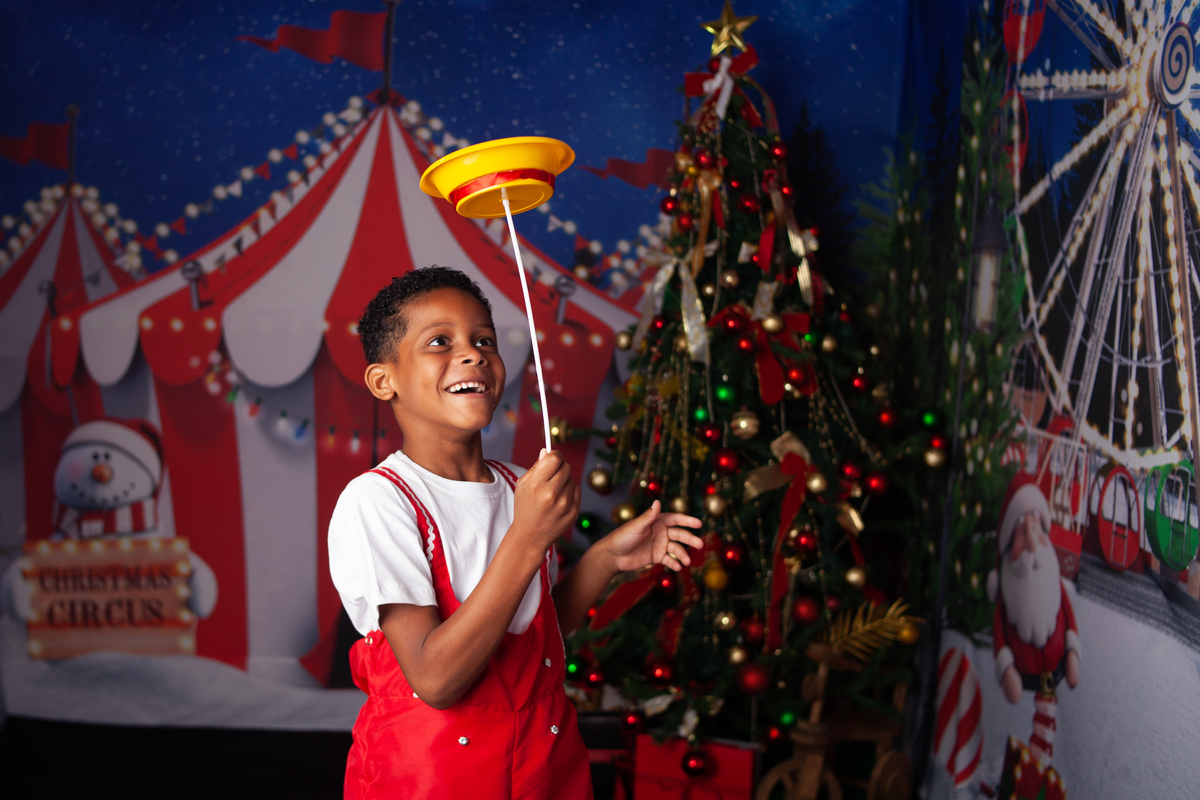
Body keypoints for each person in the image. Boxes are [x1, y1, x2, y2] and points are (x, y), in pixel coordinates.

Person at [329, 266, 704, 799]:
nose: (473, 353)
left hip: (544, 764)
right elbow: (435, 680)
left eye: (484, 339)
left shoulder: (520, 488)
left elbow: (532, 637)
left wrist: (602, 561)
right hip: (434, 779)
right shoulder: (380, 500)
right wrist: (527, 538)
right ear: (383, 380)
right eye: (441, 341)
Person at [988, 474, 1081, 767]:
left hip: (1050, 674)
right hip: (1024, 673)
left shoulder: (1053, 580)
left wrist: (1072, 654)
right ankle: (1030, 766)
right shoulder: (1007, 590)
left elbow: (1069, 618)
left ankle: (1038, 763)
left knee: (1047, 711)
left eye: (1034, 528)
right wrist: (1007, 671)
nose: (1030, 542)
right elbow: (1000, 635)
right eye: (1021, 532)